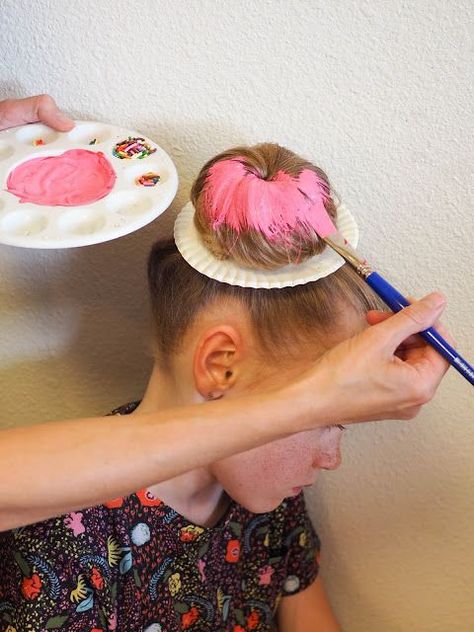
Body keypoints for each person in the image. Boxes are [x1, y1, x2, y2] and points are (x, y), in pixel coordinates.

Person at [0, 142, 452, 631]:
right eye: (324, 419)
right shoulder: (68, 533)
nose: (332, 458)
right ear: (220, 365)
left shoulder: (271, 507)